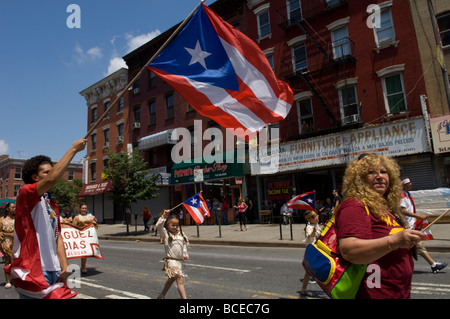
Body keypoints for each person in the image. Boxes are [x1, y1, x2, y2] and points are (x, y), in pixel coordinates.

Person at [336, 153, 425, 299]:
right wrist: (394, 241)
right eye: (371, 172)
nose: (379, 176)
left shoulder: (386, 207)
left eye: (383, 171)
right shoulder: (355, 205)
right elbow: (349, 250)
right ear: (359, 179)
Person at [8, 139, 86, 299]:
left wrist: (65, 268)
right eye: (46, 172)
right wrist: (73, 149)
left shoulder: (52, 204)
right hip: (33, 269)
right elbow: (51, 180)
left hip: (54, 269)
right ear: (35, 177)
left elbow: (57, 238)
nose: (51, 175)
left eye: (52, 171)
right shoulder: (25, 194)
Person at [400, 178, 447, 273]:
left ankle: (402, 266)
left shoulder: (407, 194)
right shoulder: (401, 196)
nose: (411, 184)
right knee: (417, 245)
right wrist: (418, 216)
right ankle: (433, 265)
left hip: (411, 225)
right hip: (406, 226)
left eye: (410, 183)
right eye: (408, 183)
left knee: (411, 247)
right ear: (403, 185)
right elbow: (402, 210)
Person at [156, 209, 189, 299]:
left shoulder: (181, 234)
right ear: (168, 225)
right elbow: (158, 226)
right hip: (171, 260)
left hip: (179, 261)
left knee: (171, 279)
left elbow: (184, 244)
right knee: (179, 279)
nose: (175, 227)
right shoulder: (165, 234)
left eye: (176, 225)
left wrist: (184, 253)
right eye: (172, 225)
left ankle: (161, 295)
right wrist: (164, 216)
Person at [301, 210, 322, 297]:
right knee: (308, 271)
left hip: (319, 250)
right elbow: (311, 236)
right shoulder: (309, 227)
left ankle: (304, 288)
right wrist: (314, 229)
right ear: (309, 219)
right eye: (314, 217)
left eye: (316, 215)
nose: (317, 217)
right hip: (312, 251)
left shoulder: (317, 225)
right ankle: (304, 289)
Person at [72, 203, 96, 274]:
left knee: (87, 252)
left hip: (89, 236)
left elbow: (94, 225)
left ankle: (83, 267)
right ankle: (83, 267)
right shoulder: (77, 217)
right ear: (80, 209)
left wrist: (94, 225)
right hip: (80, 236)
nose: (84, 210)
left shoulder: (90, 216)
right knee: (83, 252)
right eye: (83, 208)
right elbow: (73, 227)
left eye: (85, 208)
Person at [0, 202, 15, 289]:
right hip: (5, 243)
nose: (14, 208)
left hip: (15, 242)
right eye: (12, 207)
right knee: (8, 259)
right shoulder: (2, 220)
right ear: (7, 208)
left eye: (15, 207)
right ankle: (8, 281)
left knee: (15, 260)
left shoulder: (16, 219)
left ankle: (15, 278)